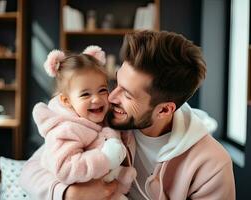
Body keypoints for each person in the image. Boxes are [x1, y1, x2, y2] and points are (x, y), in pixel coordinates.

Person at [20, 31, 236, 200]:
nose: (111, 98)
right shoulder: (99, 119)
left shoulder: (212, 164)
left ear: (164, 109)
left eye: (128, 95)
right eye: (116, 83)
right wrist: (69, 195)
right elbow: (30, 171)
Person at [25, 45, 136, 200]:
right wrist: (105, 159)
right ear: (66, 100)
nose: (97, 99)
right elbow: (59, 168)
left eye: (103, 90)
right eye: (85, 94)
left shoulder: (108, 122)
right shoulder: (66, 129)